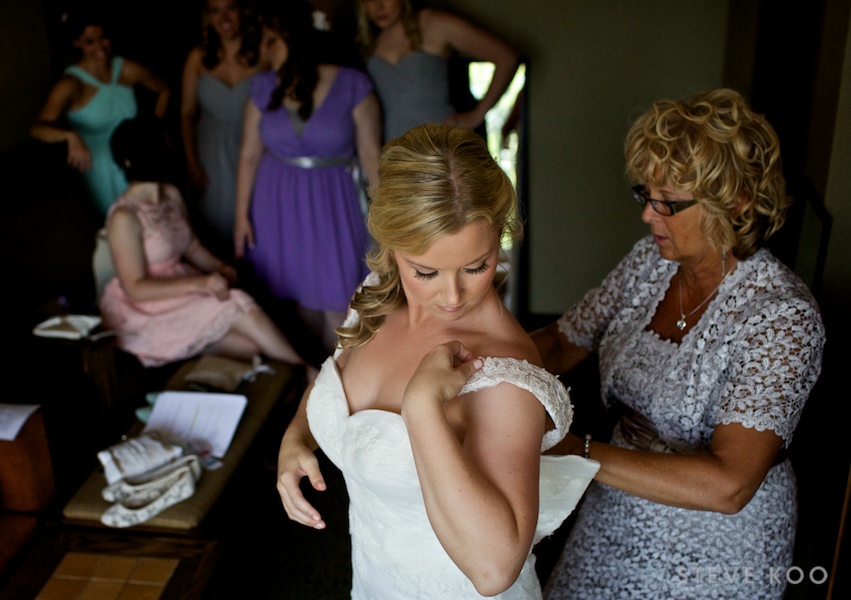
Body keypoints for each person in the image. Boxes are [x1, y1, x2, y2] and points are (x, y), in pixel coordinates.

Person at [276, 123, 597, 599]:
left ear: (501, 237)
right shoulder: (375, 299)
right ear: (391, 246)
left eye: (477, 266)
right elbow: (335, 377)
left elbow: (494, 570)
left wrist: (423, 407)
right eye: (425, 271)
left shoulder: (503, 372)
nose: (451, 296)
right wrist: (295, 437)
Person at [532, 89, 826, 599]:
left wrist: (575, 450)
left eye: (667, 202)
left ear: (734, 202)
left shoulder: (782, 318)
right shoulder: (651, 263)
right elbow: (562, 341)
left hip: (716, 545)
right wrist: (481, 360)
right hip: (615, 504)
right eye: (644, 195)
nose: (649, 216)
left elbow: (729, 484)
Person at [99, 117, 316, 382]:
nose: (169, 150)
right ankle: (309, 375)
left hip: (181, 288)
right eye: (160, 145)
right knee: (238, 303)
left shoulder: (170, 194)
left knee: (250, 347)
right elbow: (135, 287)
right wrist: (199, 284)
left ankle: (199, 357)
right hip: (145, 307)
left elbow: (191, 245)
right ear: (130, 160)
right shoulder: (125, 216)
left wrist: (219, 267)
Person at [235, 0, 382, 361]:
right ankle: (305, 390)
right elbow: (249, 155)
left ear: (293, 39)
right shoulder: (262, 88)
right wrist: (241, 216)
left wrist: (385, 220)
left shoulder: (353, 85)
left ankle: (343, 389)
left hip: (333, 203)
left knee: (343, 304)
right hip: (276, 203)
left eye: (272, 39)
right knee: (291, 305)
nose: (265, 48)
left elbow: (370, 156)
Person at [30, 9, 170, 219]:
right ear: (77, 43)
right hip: (100, 164)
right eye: (89, 42)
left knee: (155, 217)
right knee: (121, 222)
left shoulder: (125, 68)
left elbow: (164, 89)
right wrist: (69, 136)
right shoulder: (70, 84)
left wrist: (155, 129)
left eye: (103, 38)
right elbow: (37, 129)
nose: (100, 47)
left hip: (138, 155)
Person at [356, 0, 518, 143]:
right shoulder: (368, 39)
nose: (378, 6)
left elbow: (507, 59)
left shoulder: (435, 23)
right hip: (393, 154)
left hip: (441, 147)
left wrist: (476, 116)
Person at [181, 0, 263, 260]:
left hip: (254, 149)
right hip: (210, 154)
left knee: (256, 219)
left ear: (243, 11)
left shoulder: (263, 56)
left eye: (231, 8)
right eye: (216, 11)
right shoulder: (197, 58)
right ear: (208, 17)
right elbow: (187, 114)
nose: (224, 17)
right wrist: (192, 162)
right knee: (212, 224)